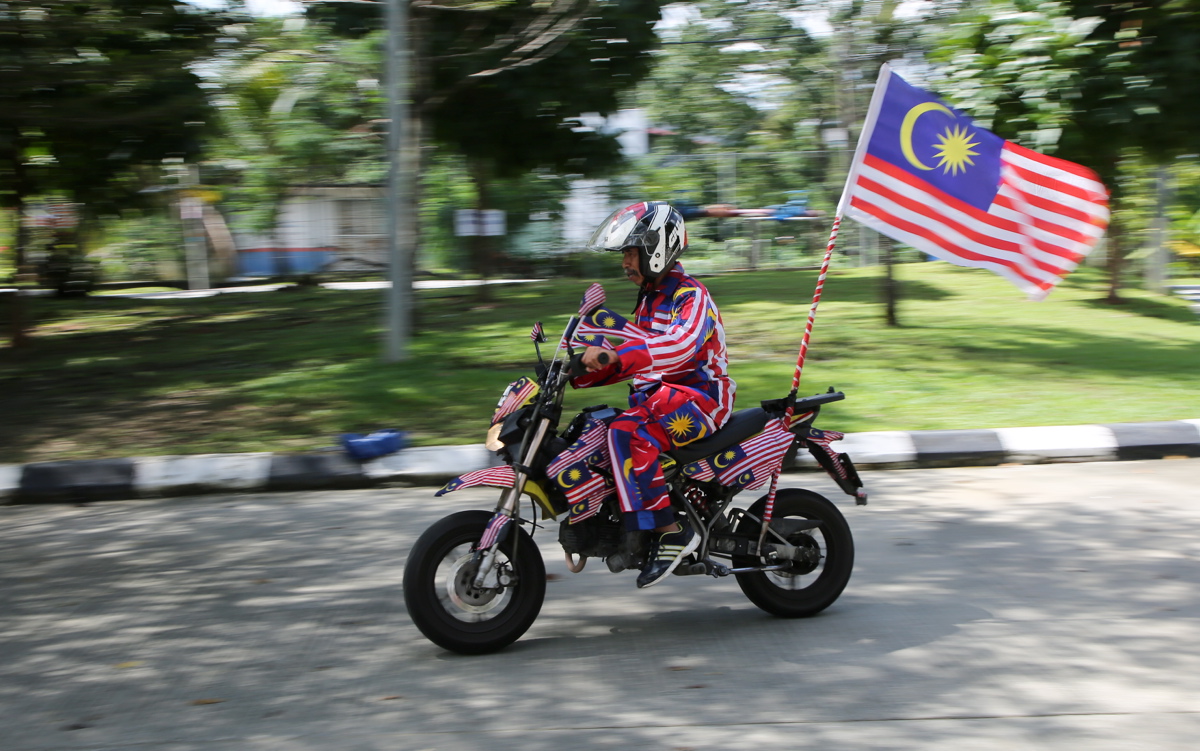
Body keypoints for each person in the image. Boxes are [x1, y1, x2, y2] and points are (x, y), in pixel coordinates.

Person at [572, 201, 736, 588]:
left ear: (655, 249)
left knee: (626, 432)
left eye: (631, 252)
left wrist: (615, 354)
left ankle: (668, 529)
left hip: (702, 398)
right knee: (595, 430)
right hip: (663, 398)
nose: (625, 262)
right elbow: (634, 356)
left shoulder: (690, 296)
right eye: (625, 253)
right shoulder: (650, 298)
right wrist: (575, 370)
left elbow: (678, 347)